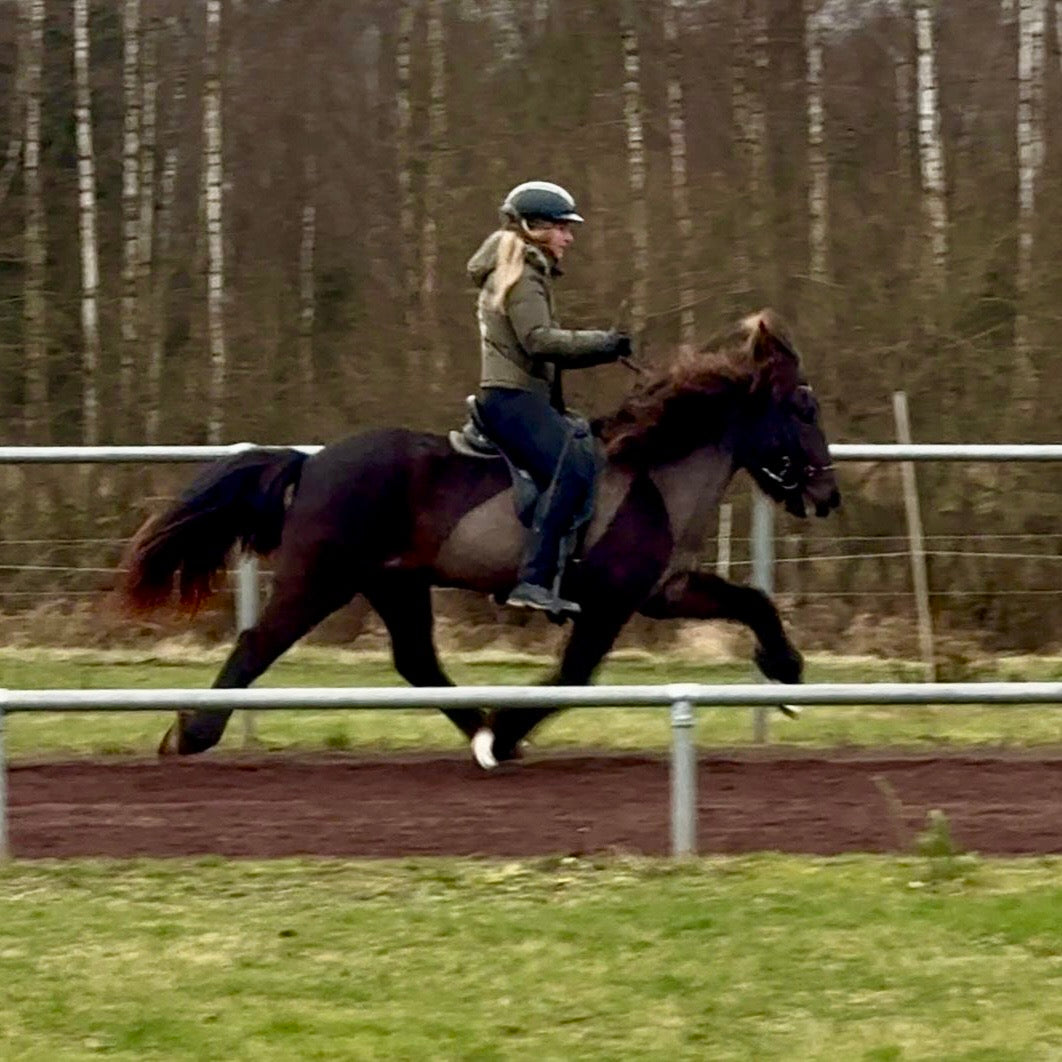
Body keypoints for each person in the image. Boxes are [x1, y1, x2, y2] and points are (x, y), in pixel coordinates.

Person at [466, 180, 631, 615]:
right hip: (512, 399)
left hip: (521, 397)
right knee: (573, 469)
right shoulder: (522, 274)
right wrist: (604, 343)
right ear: (534, 227)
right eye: (561, 227)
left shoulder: (522, 269)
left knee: (580, 452)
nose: (568, 237)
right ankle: (533, 580)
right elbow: (538, 341)